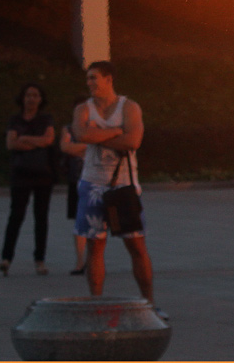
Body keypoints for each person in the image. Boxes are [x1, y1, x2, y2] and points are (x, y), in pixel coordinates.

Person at [71, 61, 162, 316]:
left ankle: (149, 304)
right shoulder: (83, 109)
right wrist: (116, 132)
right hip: (92, 184)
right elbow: (81, 135)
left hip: (123, 185)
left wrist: (99, 134)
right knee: (94, 245)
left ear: (109, 79)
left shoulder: (129, 107)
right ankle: (96, 303)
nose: (90, 83)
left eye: (94, 78)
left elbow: (133, 141)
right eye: (88, 79)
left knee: (136, 245)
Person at [0, 83, 56, 277]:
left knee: (41, 217)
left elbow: (48, 140)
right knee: (16, 216)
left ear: (41, 99)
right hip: (20, 174)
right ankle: (6, 258)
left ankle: (39, 260)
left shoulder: (46, 119)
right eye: (28, 95)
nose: (31, 99)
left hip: (42, 174)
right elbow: (10, 144)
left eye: (35, 95)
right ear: (22, 98)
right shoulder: (15, 119)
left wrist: (24, 139)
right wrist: (35, 142)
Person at [59, 97, 90, 275]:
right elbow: (65, 146)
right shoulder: (69, 128)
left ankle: (93, 260)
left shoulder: (97, 127)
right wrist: (88, 146)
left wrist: (77, 146)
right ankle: (80, 261)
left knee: (98, 222)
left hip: (97, 180)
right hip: (76, 179)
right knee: (79, 221)